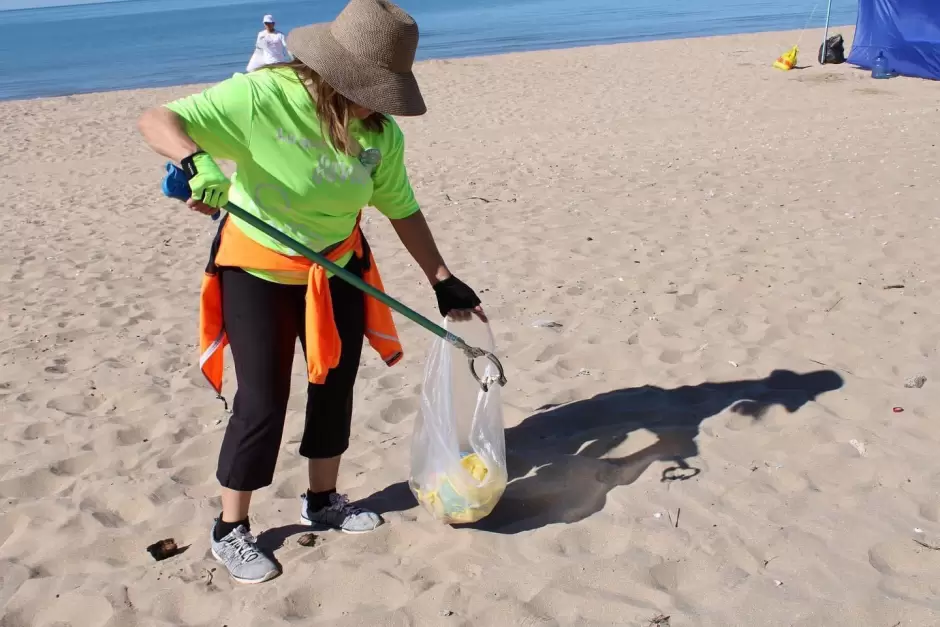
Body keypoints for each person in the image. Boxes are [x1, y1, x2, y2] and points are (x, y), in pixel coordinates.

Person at [137, 0, 485, 584]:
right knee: (263, 401)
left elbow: (401, 207)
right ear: (337, 74)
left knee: (334, 385)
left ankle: (322, 501)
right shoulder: (260, 98)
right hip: (257, 267)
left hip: (337, 269)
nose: (380, 101)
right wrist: (196, 162)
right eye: (374, 87)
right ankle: (232, 530)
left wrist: (442, 279)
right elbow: (156, 120)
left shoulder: (380, 133)